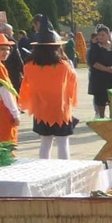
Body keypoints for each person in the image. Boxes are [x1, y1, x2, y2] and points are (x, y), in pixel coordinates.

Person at [18, 18, 78, 159]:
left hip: (40, 109)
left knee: (45, 143)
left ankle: (44, 171)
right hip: (61, 110)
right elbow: (72, 82)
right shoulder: (64, 66)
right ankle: (64, 171)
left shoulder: (29, 66)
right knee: (63, 143)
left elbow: (26, 86)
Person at [87, 25, 112, 118]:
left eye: (103, 35)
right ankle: (101, 117)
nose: (100, 37)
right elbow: (93, 62)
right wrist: (106, 69)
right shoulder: (95, 48)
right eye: (99, 35)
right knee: (101, 99)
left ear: (108, 35)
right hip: (100, 78)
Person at [0, 32, 21, 148]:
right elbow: (5, 92)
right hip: (2, 112)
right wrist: (15, 113)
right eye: (2, 49)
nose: (6, 52)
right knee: (5, 145)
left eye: (8, 49)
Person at [0, 23, 24, 92]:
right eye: (11, 31)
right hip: (13, 72)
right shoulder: (12, 42)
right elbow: (17, 58)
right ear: (7, 31)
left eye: (8, 49)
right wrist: (23, 71)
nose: (12, 33)